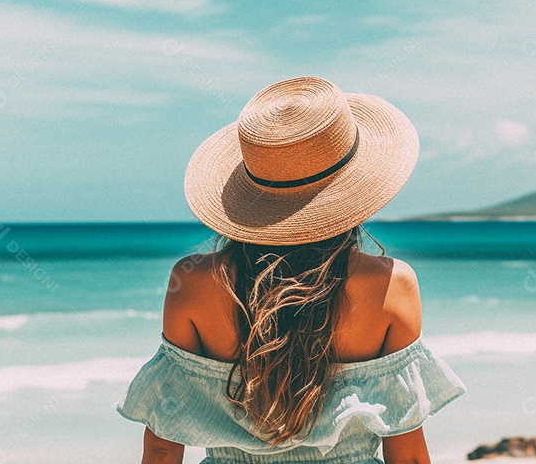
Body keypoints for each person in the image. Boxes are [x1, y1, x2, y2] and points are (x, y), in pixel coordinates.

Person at [116, 76, 466, 464]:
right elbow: (408, 456)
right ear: (355, 187)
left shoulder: (194, 282)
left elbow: (164, 447)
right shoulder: (391, 286)